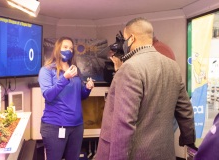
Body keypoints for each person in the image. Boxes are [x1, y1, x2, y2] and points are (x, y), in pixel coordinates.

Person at [96, 17, 195, 160]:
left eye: (124, 39)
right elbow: (185, 109)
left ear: (132, 39)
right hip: (164, 152)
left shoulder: (130, 68)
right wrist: (188, 138)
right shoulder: (173, 66)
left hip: (136, 154)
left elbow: (123, 124)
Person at [38, 37, 94, 160]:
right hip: (55, 126)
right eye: (65, 47)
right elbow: (48, 94)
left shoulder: (75, 70)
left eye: (71, 48)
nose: (68, 50)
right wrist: (65, 78)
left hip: (77, 126)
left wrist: (88, 89)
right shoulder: (46, 70)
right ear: (58, 49)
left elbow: (80, 96)